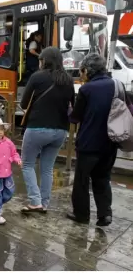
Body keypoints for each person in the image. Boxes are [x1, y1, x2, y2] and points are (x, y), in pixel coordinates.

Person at [67, 54, 121, 227]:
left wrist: (69, 110)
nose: (81, 75)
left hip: (89, 144)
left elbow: (75, 117)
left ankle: (81, 215)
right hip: (111, 141)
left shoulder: (86, 90)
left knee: (82, 180)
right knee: (103, 177)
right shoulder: (117, 85)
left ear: (87, 70)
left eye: (82, 71)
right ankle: (105, 214)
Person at [20, 47, 75, 213]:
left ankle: (35, 201)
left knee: (28, 164)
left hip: (37, 128)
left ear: (44, 61)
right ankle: (44, 203)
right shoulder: (68, 79)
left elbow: (23, 104)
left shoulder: (37, 76)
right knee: (47, 168)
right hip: (60, 131)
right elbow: (72, 105)